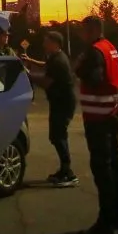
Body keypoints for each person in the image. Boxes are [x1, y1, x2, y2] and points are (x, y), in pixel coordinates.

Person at [74, 15, 118, 234]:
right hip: (112, 114)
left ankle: (105, 225)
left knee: (102, 170)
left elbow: (93, 78)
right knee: (114, 164)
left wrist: (79, 68)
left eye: (83, 31)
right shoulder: (109, 47)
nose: (81, 35)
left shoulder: (94, 51)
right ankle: (117, 216)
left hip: (98, 118)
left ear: (92, 30)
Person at [21, 31, 78, 186]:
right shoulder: (55, 56)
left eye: (46, 41)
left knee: (58, 136)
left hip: (63, 103)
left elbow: (46, 82)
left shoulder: (59, 61)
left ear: (55, 43)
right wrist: (30, 61)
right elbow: (46, 66)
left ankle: (68, 173)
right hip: (60, 102)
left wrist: (28, 74)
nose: (44, 44)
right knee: (57, 135)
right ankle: (64, 170)